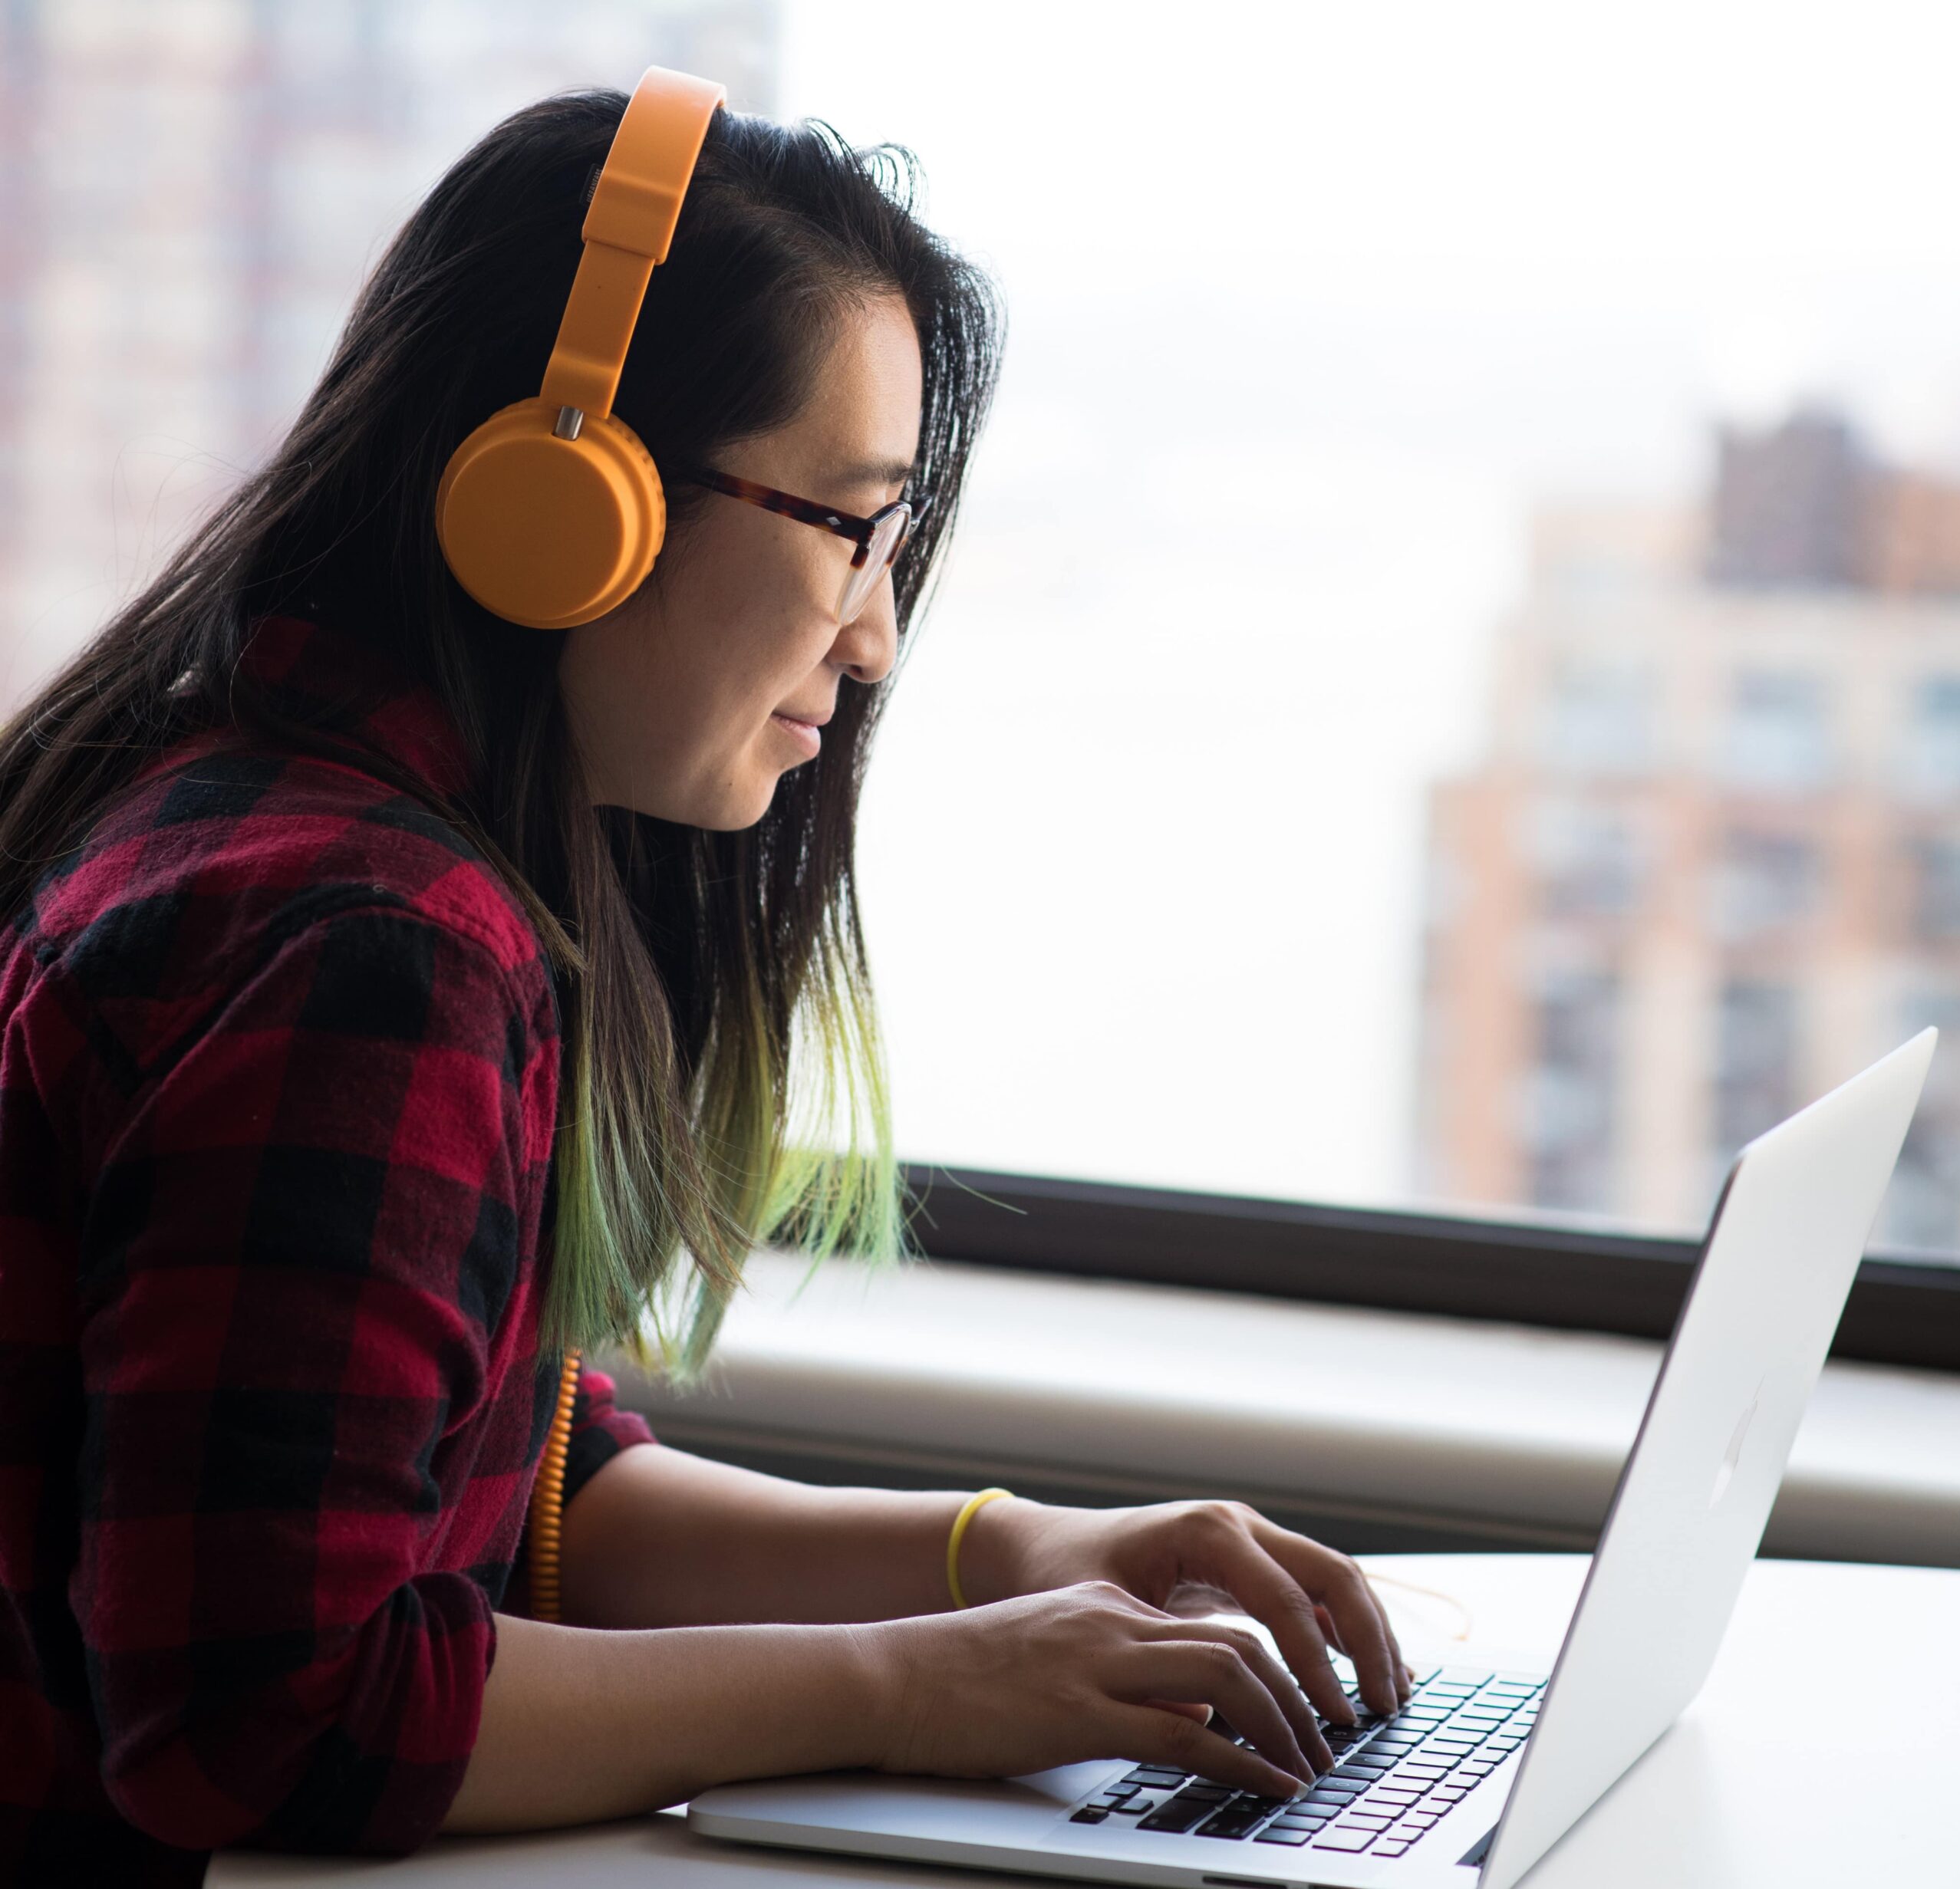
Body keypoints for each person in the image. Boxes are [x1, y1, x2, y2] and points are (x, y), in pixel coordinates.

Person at [0, 71, 1408, 1887]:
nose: (875, 634)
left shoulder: (248, 810)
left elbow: (490, 1485)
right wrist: (913, 1686)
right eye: (848, 524)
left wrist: (1015, 1554)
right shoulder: (371, 950)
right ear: (566, 495)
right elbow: (280, 1711)